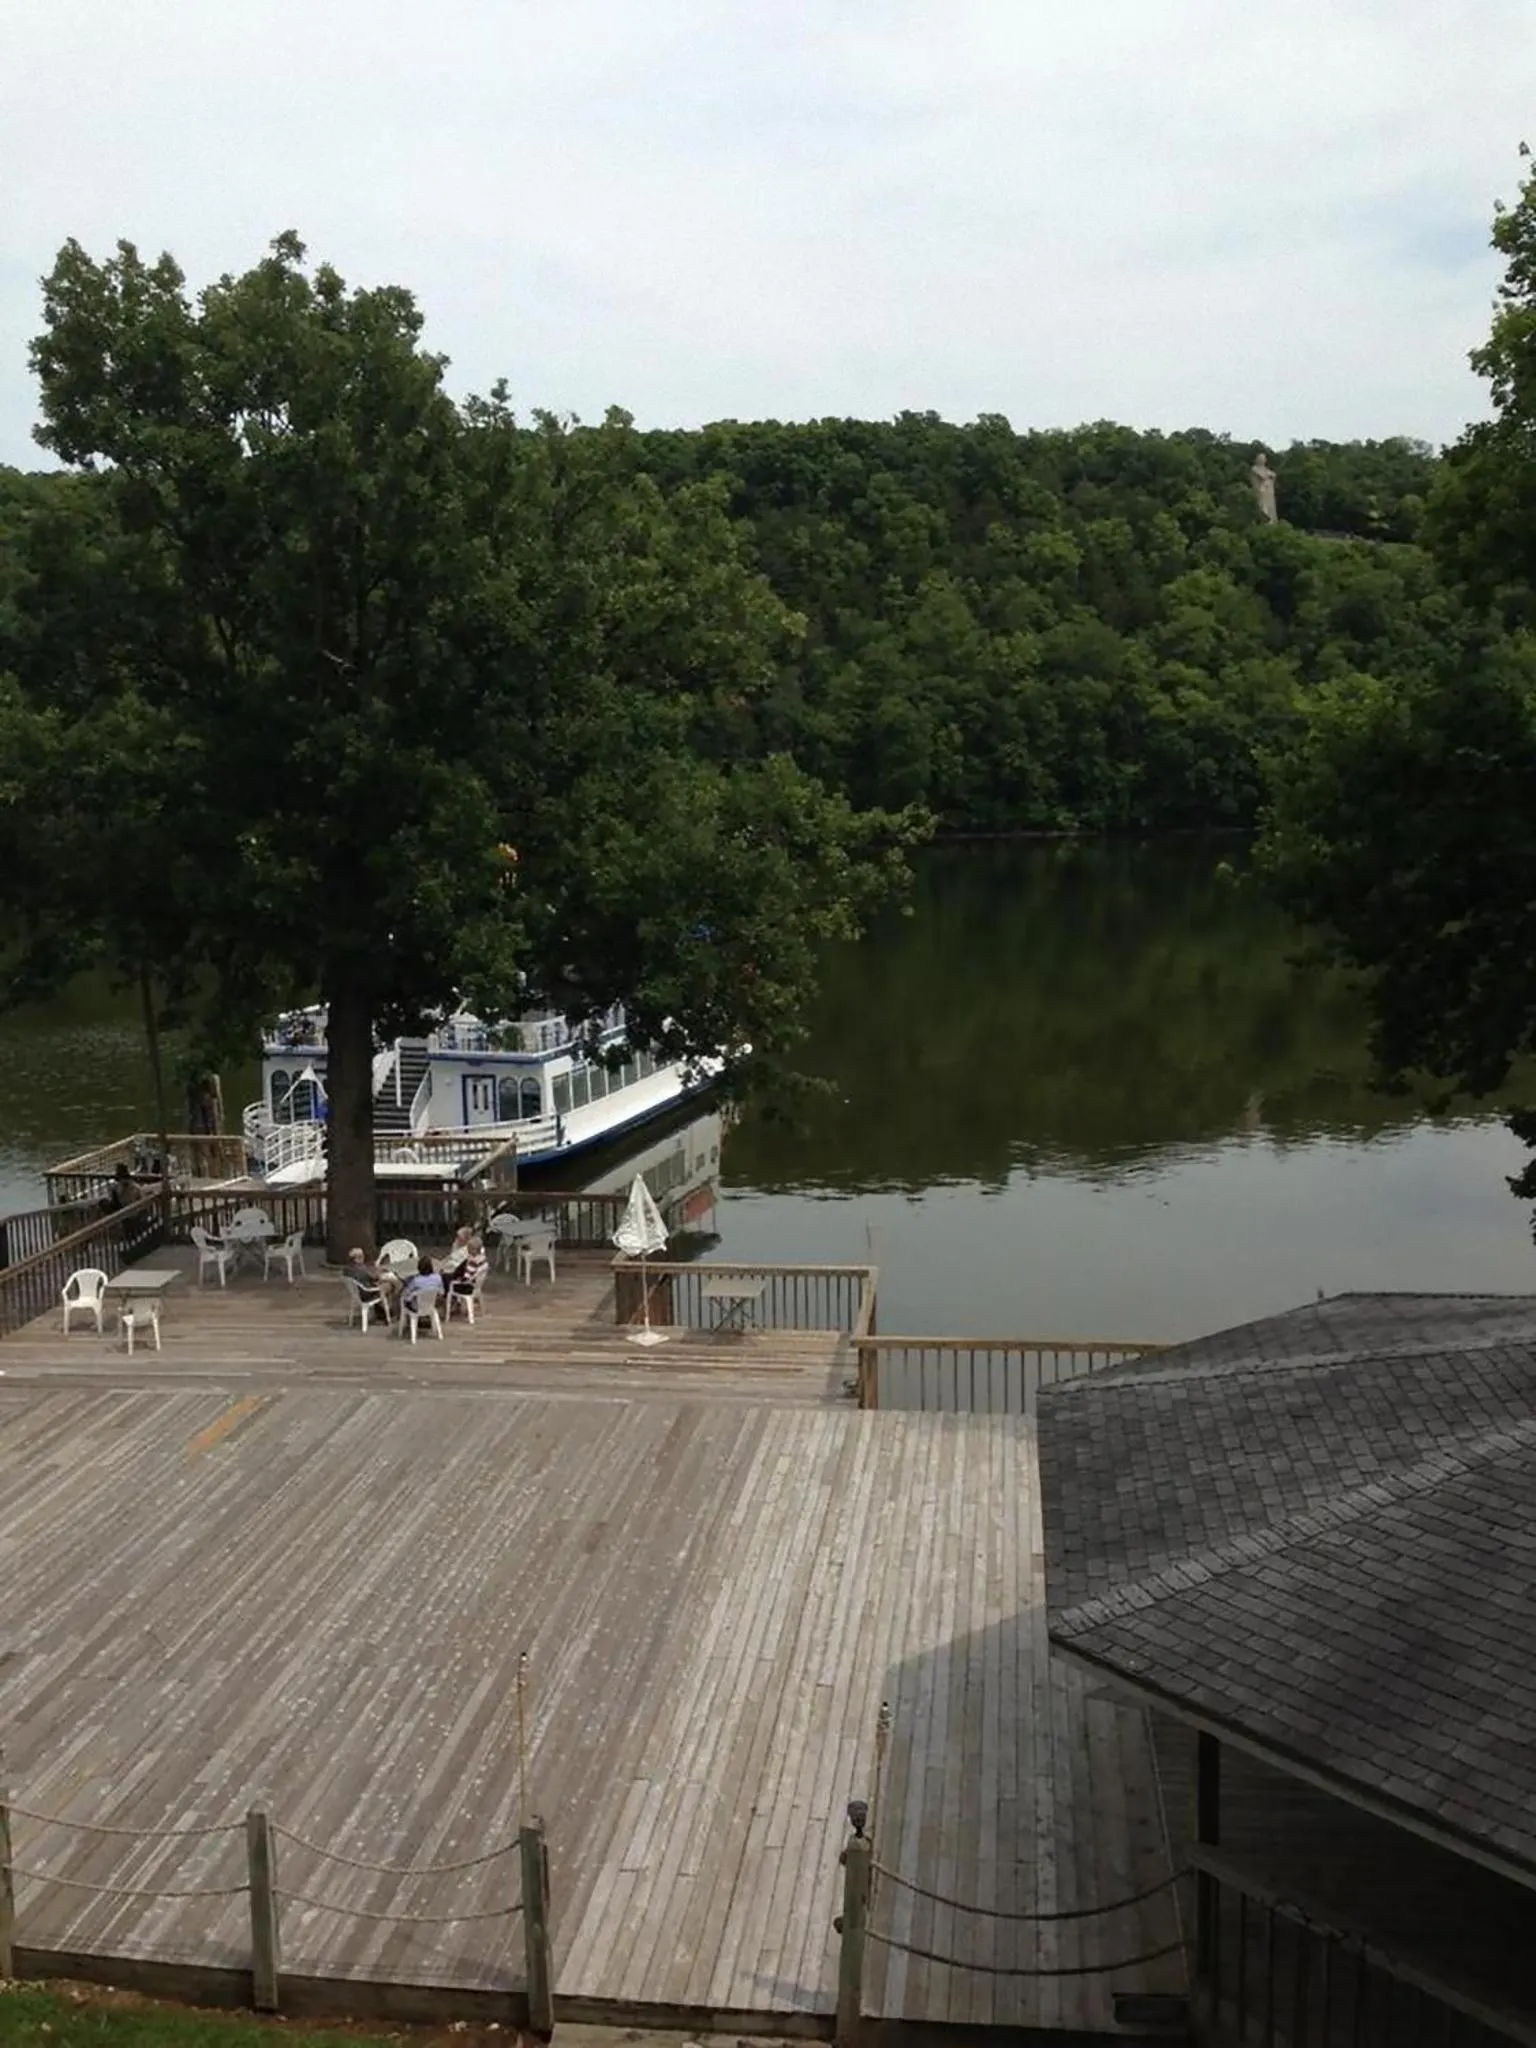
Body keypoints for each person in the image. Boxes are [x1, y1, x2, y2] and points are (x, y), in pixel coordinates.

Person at [400, 1253, 444, 1326]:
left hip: (417, 1307)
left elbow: (406, 1293)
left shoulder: (416, 1280)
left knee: (404, 1298)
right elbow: (442, 1292)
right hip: (431, 1304)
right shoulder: (438, 1278)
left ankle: (408, 1323)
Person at [448, 1233, 488, 1306]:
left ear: (474, 1250)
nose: (468, 1251)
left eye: (469, 1249)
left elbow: (466, 1277)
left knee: (449, 1281)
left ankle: (454, 1302)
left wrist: (459, 1279)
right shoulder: (483, 1258)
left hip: (468, 1287)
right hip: (476, 1286)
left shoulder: (473, 1262)